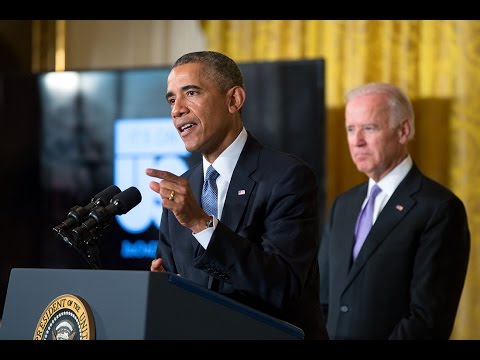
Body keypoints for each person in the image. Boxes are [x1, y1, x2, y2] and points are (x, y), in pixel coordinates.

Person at [145, 51, 328, 340]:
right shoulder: (182, 188)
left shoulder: (287, 177)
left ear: (234, 100)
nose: (177, 110)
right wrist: (163, 287)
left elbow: (282, 287)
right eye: (171, 99)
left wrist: (201, 224)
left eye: (190, 93)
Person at [319, 82, 470, 340]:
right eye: (350, 129)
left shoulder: (439, 209)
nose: (357, 141)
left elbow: (427, 320)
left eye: (369, 128)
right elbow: (321, 300)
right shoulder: (342, 206)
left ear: (403, 131)